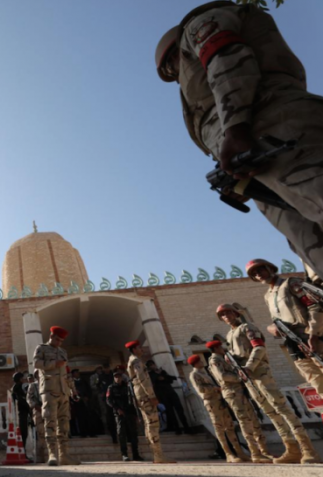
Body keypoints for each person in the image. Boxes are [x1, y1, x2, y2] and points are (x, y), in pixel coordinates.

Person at [155, 1, 323, 278]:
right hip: (259, 156)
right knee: (310, 244)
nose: (177, 75)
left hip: (273, 129)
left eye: (173, 69)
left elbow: (228, 60)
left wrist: (235, 128)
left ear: (170, 54)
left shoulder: (198, 25)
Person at [218, 303, 320, 464]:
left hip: (259, 371)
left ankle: (307, 448)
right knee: (270, 411)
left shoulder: (247, 327)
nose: (226, 316)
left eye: (228, 313)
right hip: (247, 376)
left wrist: (249, 367)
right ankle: (291, 447)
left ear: (235, 313)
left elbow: (259, 347)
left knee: (281, 408)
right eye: (222, 315)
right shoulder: (230, 335)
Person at [246, 259, 323, 395]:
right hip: (295, 346)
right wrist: (271, 329)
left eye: (260, 270)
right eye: (254, 274)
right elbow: (276, 320)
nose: (258, 274)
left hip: (314, 339)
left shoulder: (291, 283)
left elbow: (314, 306)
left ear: (270, 268)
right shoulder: (268, 296)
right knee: (317, 383)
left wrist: (313, 334)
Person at [206, 340, 273, 463]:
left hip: (241, 392)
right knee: (244, 421)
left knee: (253, 420)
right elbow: (223, 376)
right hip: (232, 393)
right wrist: (239, 378)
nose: (223, 348)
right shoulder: (215, 360)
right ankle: (255, 452)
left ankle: (263, 450)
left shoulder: (225, 358)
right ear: (216, 348)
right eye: (221, 346)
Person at [187, 354, 249, 463]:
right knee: (219, 428)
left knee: (229, 426)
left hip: (220, 400)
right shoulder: (194, 374)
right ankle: (228, 453)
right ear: (196, 363)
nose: (202, 362)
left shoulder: (207, 372)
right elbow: (200, 389)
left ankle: (239, 452)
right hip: (211, 402)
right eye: (200, 361)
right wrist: (215, 388)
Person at [33, 326, 79, 466]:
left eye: (61, 341)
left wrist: (73, 390)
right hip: (49, 390)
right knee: (50, 422)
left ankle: (64, 454)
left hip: (63, 392)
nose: (59, 343)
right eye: (57, 339)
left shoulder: (63, 352)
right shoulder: (41, 348)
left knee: (64, 423)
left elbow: (67, 372)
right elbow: (36, 364)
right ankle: (52, 454)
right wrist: (54, 364)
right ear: (51, 336)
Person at [125, 340, 174, 464]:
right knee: (152, 423)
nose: (142, 350)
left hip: (141, 394)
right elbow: (142, 378)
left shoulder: (134, 360)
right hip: (144, 395)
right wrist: (151, 395)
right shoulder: (136, 361)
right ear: (134, 349)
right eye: (140, 348)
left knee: (149, 423)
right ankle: (158, 455)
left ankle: (157, 454)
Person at [106, 370, 143, 462]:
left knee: (133, 433)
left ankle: (136, 454)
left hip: (130, 412)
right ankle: (124, 454)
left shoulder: (128, 386)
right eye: (116, 377)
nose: (118, 378)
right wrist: (117, 409)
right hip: (119, 413)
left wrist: (136, 414)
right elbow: (109, 401)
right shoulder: (111, 387)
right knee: (121, 433)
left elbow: (134, 400)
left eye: (119, 376)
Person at [146, 360, 191, 435]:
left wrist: (164, 377)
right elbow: (153, 381)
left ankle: (186, 427)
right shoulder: (150, 374)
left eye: (153, 364)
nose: (153, 366)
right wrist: (158, 376)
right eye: (150, 365)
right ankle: (177, 429)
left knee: (180, 410)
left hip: (171, 393)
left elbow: (170, 380)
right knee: (170, 412)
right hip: (162, 395)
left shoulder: (162, 371)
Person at [26, 371, 46, 463]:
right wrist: (37, 407)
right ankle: (41, 457)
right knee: (40, 432)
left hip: (49, 410)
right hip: (38, 411)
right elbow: (29, 399)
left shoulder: (48, 383)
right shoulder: (33, 385)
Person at [11, 372, 30, 451]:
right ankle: (22, 452)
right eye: (22, 378)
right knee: (23, 433)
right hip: (21, 413)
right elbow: (20, 401)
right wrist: (28, 407)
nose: (23, 379)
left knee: (24, 433)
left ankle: (23, 452)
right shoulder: (16, 388)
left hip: (23, 412)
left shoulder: (20, 387)